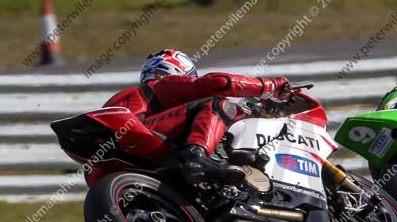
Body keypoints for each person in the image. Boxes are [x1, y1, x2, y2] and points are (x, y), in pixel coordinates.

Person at [104, 49, 291, 185]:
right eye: (190, 77)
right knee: (218, 104)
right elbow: (219, 82)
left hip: (124, 164)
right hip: (142, 136)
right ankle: (197, 157)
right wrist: (269, 86)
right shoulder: (162, 85)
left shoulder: (131, 98)